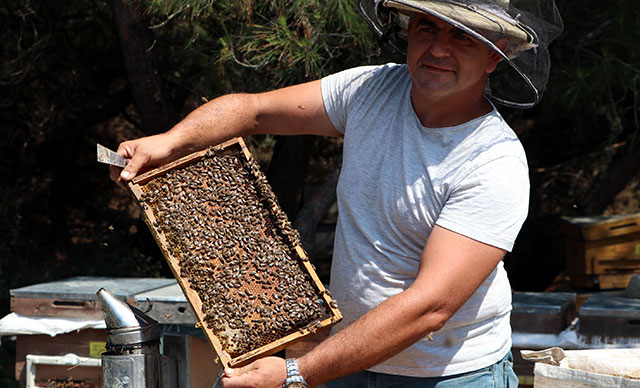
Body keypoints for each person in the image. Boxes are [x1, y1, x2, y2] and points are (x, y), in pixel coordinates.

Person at [110, 0, 562, 387]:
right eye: (427, 28)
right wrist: (169, 141)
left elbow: (430, 307)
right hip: (344, 362)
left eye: (463, 36)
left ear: (495, 55)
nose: (439, 48)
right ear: (407, 32)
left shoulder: (493, 162)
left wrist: (294, 373)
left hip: (449, 376)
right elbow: (252, 110)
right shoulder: (372, 89)